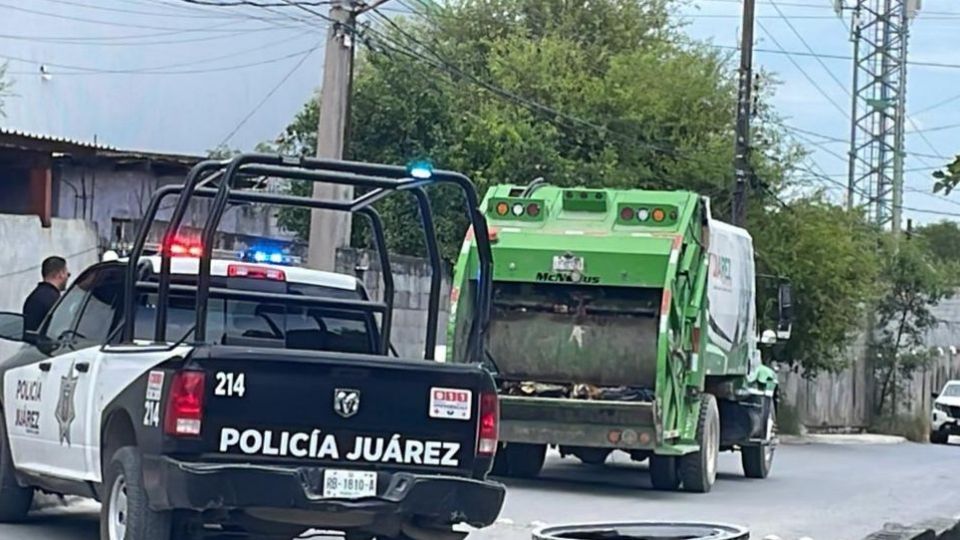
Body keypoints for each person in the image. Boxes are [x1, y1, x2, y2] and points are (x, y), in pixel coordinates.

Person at [22, 256, 70, 339]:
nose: (67, 277)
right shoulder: (55, 301)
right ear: (61, 274)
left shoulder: (33, 297)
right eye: (67, 274)